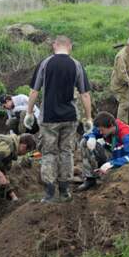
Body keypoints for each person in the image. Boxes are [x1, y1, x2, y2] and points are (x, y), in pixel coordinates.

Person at [24, 35, 93, 203]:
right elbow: (85, 94)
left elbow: (34, 91)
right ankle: (65, 191)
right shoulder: (76, 65)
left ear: (54, 45)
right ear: (69, 46)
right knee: (67, 152)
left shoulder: (45, 64)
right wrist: (88, 117)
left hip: (49, 117)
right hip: (70, 117)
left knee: (49, 152)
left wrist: (29, 112)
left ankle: (49, 193)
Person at [77, 111, 129, 191]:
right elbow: (93, 132)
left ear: (111, 126)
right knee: (84, 142)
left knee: (108, 177)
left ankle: (103, 173)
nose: (100, 132)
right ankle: (90, 178)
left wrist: (112, 163)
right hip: (110, 154)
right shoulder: (104, 126)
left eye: (102, 130)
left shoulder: (125, 133)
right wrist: (91, 137)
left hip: (121, 160)